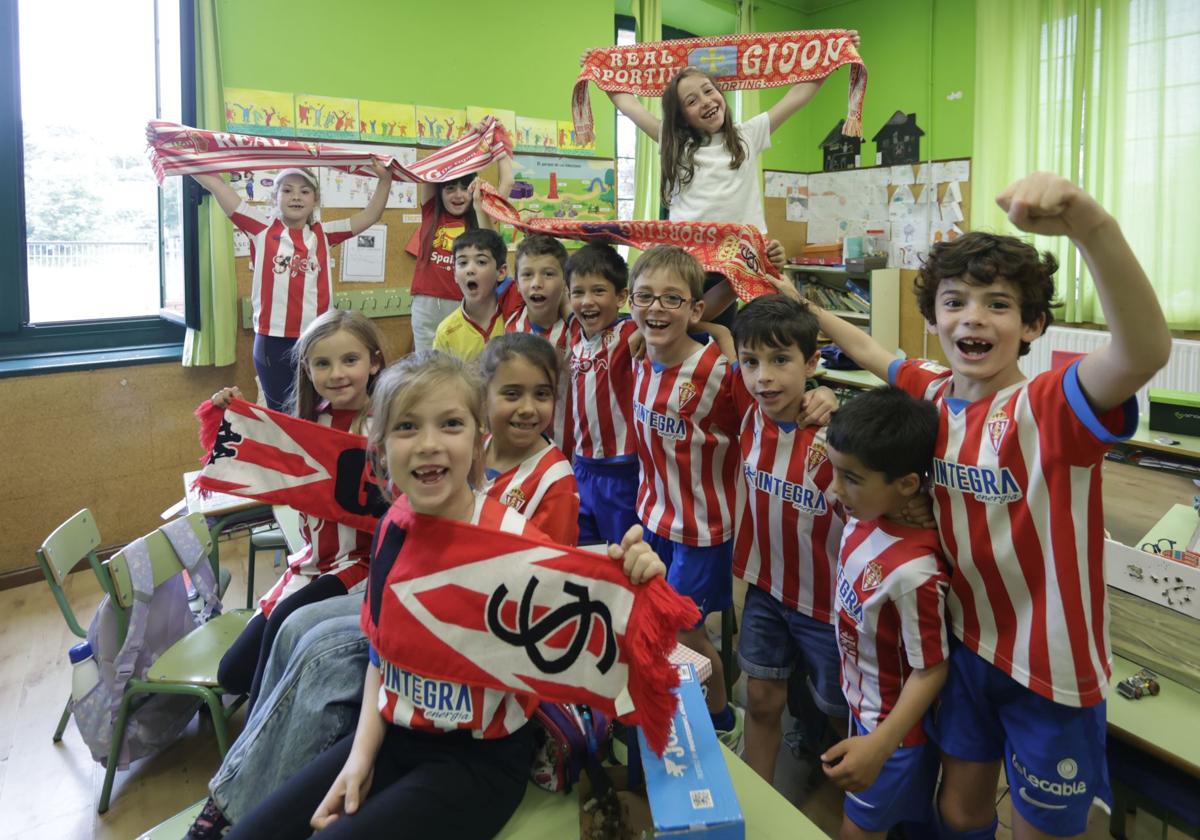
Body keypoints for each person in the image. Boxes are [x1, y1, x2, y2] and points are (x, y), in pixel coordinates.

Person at [774, 172, 1171, 839]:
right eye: (955, 302)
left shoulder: (1048, 405)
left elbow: (1144, 351)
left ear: (1033, 323)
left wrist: (1088, 224)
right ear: (933, 319)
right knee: (959, 811)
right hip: (966, 648)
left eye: (999, 304)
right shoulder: (930, 395)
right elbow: (873, 350)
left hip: (1051, 669)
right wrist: (800, 304)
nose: (974, 318)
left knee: (1042, 830)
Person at [221, 351, 666, 839]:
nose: (429, 445)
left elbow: (603, 635)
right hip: (394, 736)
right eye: (408, 427)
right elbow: (379, 656)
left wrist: (635, 580)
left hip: (478, 763)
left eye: (451, 424)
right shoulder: (393, 528)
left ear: (479, 440)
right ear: (381, 449)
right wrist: (359, 757)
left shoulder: (516, 544)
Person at [587, 35, 859, 325]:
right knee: (689, 328)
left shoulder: (746, 136)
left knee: (737, 329)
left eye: (708, 91)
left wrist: (836, 51)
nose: (705, 102)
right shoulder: (676, 144)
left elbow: (798, 96)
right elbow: (629, 106)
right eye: (692, 101)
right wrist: (597, 67)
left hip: (739, 257)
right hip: (690, 260)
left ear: (721, 93)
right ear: (681, 117)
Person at [213, 309, 386, 711]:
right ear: (307, 369)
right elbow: (255, 460)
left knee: (281, 630)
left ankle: (266, 729)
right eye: (322, 363)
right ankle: (285, 702)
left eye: (350, 360)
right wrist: (238, 416)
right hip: (311, 564)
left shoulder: (392, 424)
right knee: (231, 674)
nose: (337, 373)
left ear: (374, 362)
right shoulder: (308, 423)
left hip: (362, 565)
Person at [728, 294, 850, 781]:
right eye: (751, 362)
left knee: (842, 711)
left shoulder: (838, 436)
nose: (764, 377)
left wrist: (836, 399)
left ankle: (861, 810)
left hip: (827, 606)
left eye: (781, 360)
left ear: (812, 362)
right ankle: (753, 807)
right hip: (764, 589)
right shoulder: (749, 416)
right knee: (760, 699)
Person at [820, 386, 950, 840]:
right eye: (834, 470)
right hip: (864, 709)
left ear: (907, 486)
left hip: (893, 735)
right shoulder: (863, 513)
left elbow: (931, 669)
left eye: (850, 478)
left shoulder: (916, 573)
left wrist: (881, 743)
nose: (835, 488)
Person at [192, 164, 392, 410]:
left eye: (304, 191)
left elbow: (370, 215)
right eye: (287, 190)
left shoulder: (324, 234)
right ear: (275, 197)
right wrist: (180, 154)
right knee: (281, 413)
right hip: (272, 340)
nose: (296, 196)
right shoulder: (260, 228)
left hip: (318, 339)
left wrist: (385, 179)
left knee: (317, 410)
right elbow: (216, 184)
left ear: (315, 200)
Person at [408, 125, 514, 352]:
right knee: (429, 373)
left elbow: (508, 184)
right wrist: (467, 138)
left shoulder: (481, 214)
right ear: (440, 192)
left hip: (464, 305)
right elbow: (435, 166)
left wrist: (500, 148)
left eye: (464, 188)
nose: (458, 195)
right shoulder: (431, 212)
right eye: (449, 188)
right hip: (425, 306)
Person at [564, 243, 641, 546]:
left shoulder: (633, 332)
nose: (587, 301)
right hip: (581, 466)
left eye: (598, 291)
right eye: (578, 293)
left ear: (622, 296)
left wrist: (645, 331)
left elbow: (686, 316)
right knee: (588, 554)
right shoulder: (574, 332)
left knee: (623, 553)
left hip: (621, 469)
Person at [478, 333, 580, 546]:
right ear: (483, 396)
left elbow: (550, 567)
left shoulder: (555, 480)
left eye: (542, 394)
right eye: (512, 394)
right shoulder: (472, 450)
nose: (527, 409)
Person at [504, 234, 578, 454]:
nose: (537, 283)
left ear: (565, 282)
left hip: (569, 448)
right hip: (521, 446)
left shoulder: (577, 330)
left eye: (548, 274)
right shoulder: (510, 322)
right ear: (517, 284)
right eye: (527, 275)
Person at [432, 228, 511, 362]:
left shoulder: (514, 319)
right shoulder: (446, 331)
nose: (470, 270)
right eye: (463, 263)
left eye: (481, 262)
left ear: (501, 272)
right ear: (455, 274)